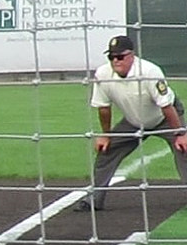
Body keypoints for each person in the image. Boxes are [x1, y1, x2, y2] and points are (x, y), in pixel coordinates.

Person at [74, 34, 187, 213]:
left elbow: (166, 105)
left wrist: (180, 133)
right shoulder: (103, 74)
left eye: (120, 56)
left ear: (132, 56)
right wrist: (106, 135)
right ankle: (94, 199)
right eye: (111, 57)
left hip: (164, 117)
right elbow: (103, 107)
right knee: (107, 151)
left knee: (184, 148)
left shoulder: (149, 72)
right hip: (133, 120)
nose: (116, 61)